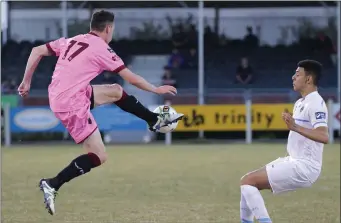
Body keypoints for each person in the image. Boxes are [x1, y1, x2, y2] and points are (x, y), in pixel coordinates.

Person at [17, 10, 183, 215]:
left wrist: (26, 82)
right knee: (98, 155)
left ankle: (154, 120)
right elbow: (131, 77)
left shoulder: (73, 40)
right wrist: (155, 89)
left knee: (115, 91)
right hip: (71, 102)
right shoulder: (102, 49)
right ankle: (53, 184)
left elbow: (37, 50)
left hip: (63, 94)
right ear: (108, 28)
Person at [239, 60, 329, 223]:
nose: (293, 77)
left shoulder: (316, 103)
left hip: (304, 166)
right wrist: (295, 126)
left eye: (297, 74)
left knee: (248, 182)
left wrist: (295, 127)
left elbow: (324, 136)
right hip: (294, 160)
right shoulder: (301, 102)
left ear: (308, 79)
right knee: (247, 181)